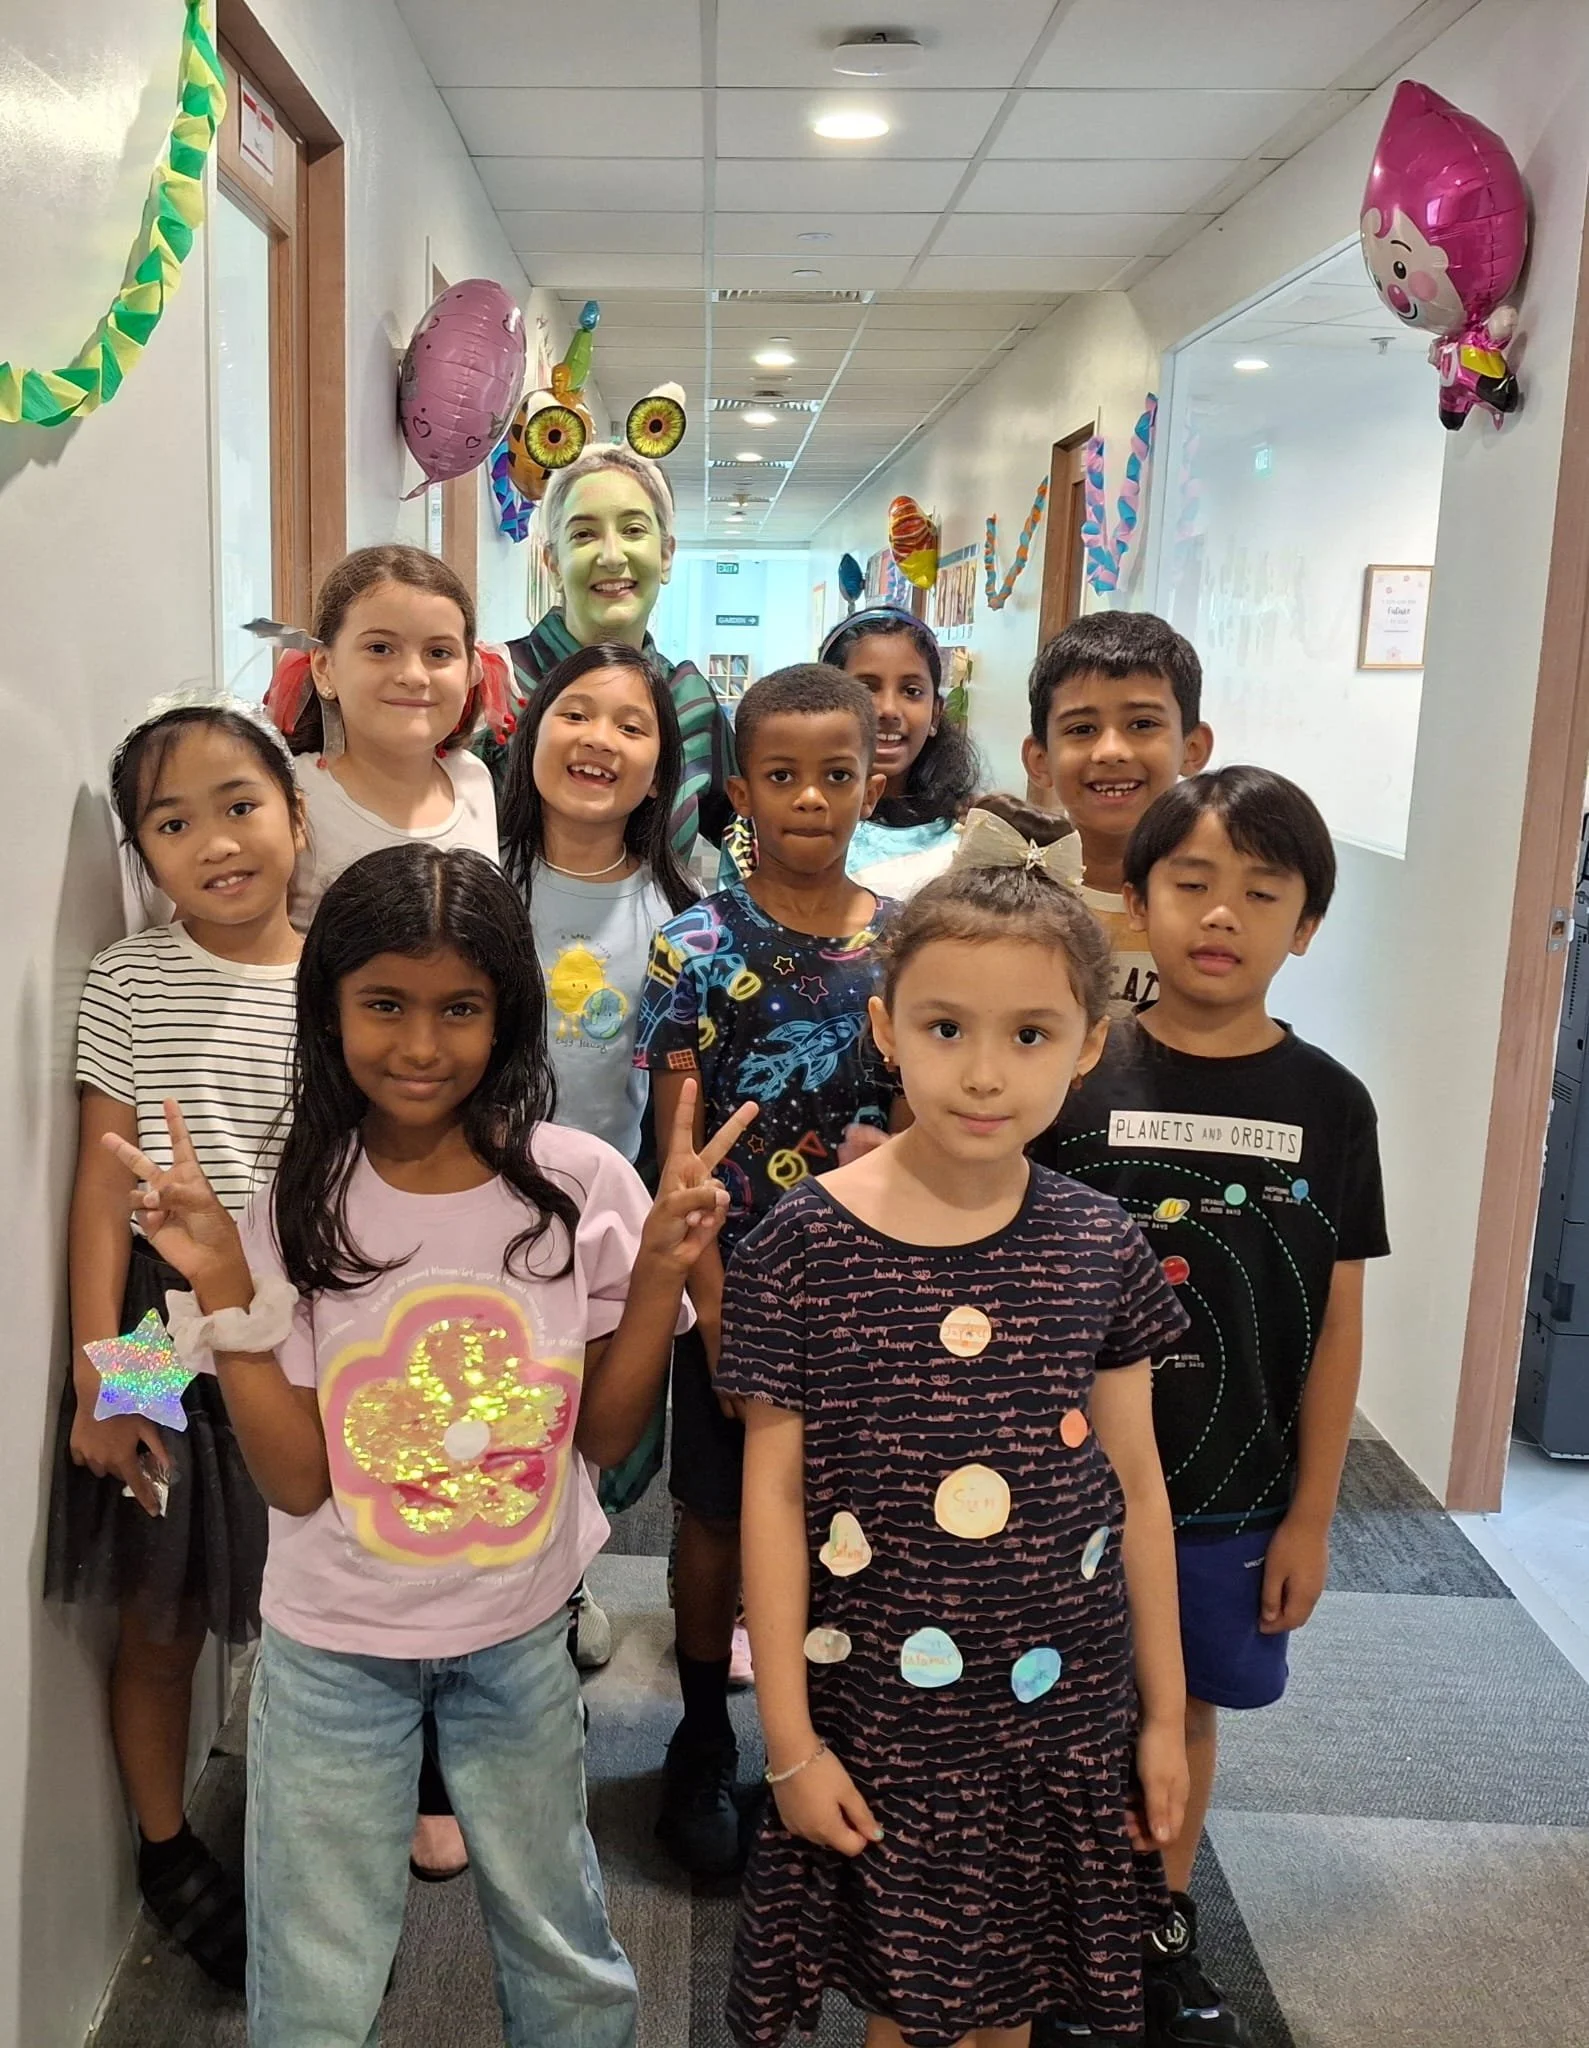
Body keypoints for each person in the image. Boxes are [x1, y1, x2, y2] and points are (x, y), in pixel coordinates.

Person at [103, 844, 755, 2047]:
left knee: (561, 1938)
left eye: (458, 1007)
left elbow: (606, 1437)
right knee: (313, 1967)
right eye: (384, 1004)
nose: (419, 1044)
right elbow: (295, 1476)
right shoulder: (295, 1199)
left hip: (517, 1633)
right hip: (331, 1655)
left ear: (506, 1010)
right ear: (332, 1008)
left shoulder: (582, 1185)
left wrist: (663, 1267)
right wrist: (185, 1323)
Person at [719, 804, 1193, 2048]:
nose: (983, 1072)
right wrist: (784, 1744)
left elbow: (1136, 1491)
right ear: (886, 1028)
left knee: (1017, 2003)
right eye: (944, 1028)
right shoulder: (800, 1246)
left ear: (1086, 1045)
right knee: (909, 2008)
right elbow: (770, 1499)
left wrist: (1156, 1713)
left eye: (1027, 1034)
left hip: (1057, 1711)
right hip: (886, 1716)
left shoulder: (1098, 1243)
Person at [1035, 768, 1388, 2047]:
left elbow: (1337, 1322)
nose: (1219, 914)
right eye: (1189, 882)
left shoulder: (1331, 1104)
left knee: (1181, 1707)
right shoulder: (1070, 1074)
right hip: (1062, 1480)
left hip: (1230, 1491)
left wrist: (1311, 1514)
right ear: (1134, 899)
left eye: (1260, 891)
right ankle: (1055, 1929)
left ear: (1303, 925)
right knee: (1067, 1702)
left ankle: (1155, 1921)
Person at [47, 701, 304, 1991]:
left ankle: (315, 1832)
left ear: (296, 816)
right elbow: (100, 1185)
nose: (214, 839)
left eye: (240, 803)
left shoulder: (335, 974)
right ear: (143, 854)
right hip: (156, 1317)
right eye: (172, 820)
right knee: (158, 1608)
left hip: (298, 1317)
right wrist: (104, 1368)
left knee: (306, 1602)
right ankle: (163, 1842)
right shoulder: (130, 975)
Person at [634, 664, 898, 1876]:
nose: (808, 799)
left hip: (873, 1301)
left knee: (857, 1516)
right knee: (718, 1512)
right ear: (741, 789)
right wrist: (718, 1321)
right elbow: (679, 1154)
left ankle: (837, 1729)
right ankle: (701, 1732)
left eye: (834, 775)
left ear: (870, 780)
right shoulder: (689, 944)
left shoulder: (905, 944)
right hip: (725, 1288)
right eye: (781, 776)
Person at [500, 638, 700, 1657]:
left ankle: (566, 1582)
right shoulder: (481, 879)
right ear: (533, 731)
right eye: (575, 711)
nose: (599, 739)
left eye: (631, 723)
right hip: (481, 1211)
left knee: (597, 1432)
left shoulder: (679, 919)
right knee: (493, 1410)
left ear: (662, 766)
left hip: (603, 1226)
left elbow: (677, 1109)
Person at [489, 445, 737, 864]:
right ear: (552, 562)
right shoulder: (495, 685)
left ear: (665, 555)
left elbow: (748, 834)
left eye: (634, 530)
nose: (610, 555)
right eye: (583, 534)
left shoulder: (688, 701)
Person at [267, 543, 509, 931]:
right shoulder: (292, 795)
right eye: (380, 648)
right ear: (325, 667)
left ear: (470, 671)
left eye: (439, 653)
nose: (413, 675)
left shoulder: (474, 779)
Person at [1021, 613, 1213, 1016]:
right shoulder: (1010, 899)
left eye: (1142, 724)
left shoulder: (1219, 903)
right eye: (1081, 729)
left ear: (1192, 748)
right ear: (1040, 760)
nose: (1111, 751)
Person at [821, 605, 981, 892]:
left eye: (911, 691)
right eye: (866, 688)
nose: (889, 710)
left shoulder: (966, 833)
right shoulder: (787, 824)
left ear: (935, 714)